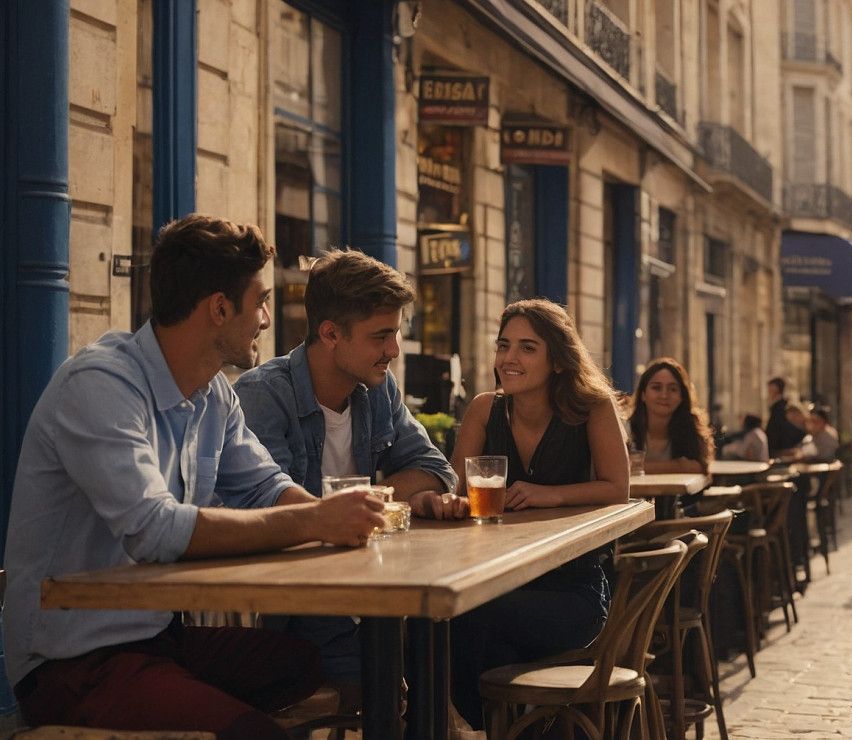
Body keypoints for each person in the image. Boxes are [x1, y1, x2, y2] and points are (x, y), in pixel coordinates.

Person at [3, 214, 385, 738]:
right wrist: (316, 520)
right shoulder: (101, 385)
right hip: (72, 660)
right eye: (262, 302)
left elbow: (264, 488)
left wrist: (342, 522)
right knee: (255, 733)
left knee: (307, 662)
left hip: (158, 635)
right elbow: (154, 530)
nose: (269, 318)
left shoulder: (213, 392)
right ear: (220, 309)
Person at [234, 249, 459, 705]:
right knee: (404, 677)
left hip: (377, 592)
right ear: (331, 333)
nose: (393, 351)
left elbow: (437, 470)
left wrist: (368, 501)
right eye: (381, 337)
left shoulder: (376, 389)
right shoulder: (263, 396)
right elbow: (268, 509)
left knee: (463, 645)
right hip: (303, 609)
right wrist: (379, 503)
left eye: (395, 334)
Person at [447, 298, 629, 729]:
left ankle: (499, 728)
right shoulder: (483, 409)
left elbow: (618, 488)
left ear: (559, 362)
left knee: (469, 622)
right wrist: (438, 499)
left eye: (527, 348)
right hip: (496, 580)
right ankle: (515, 726)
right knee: (460, 629)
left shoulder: (591, 408)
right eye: (504, 345)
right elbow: (455, 486)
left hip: (572, 592)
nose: (509, 359)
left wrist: (551, 495)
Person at [627, 357, 713, 474]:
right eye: (656, 387)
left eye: (673, 389)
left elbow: (699, 468)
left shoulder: (692, 428)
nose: (664, 395)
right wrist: (679, 466)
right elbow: (618, 470)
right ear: (643, 394)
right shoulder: (625, 429)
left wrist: (640, 467)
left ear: (682, 396)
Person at [765, 377, 805, 456]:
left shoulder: (779, 407)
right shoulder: (778, 406)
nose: (768, 393)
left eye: (770, 390)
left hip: (780, 448)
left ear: (775, 389)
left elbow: (777, 429)